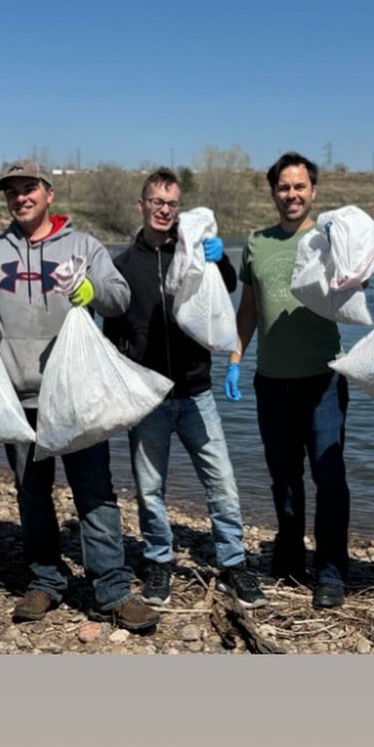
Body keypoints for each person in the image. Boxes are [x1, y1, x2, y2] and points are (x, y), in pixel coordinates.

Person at [0, 159, 158, 633]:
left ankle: (112, 589)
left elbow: (119, 297)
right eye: (12, 191)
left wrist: (89, 288)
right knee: (32, 495)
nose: (20, 197)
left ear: (50, 193)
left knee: (95, 493)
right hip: (17, 399)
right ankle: (46, 579)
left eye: (29, 188)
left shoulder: (83, 246)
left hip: (76, 397)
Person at [103, 168, 267, 610]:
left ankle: (233, 564)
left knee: (222, 483)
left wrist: (220, 258)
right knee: (149, 488)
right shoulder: (123, 266)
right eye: (156, 202)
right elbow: (111, 332)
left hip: (197, 392)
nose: (164, 210)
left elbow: (226, 287)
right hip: (148, 399)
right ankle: (159, 560)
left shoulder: (191, 250)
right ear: (141, 205)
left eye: (172, 204)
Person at [224, 151, 351, 609]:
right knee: (284, 478)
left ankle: (331, 571)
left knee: (329, 477)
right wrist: (235, 357)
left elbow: (358, 285)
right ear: (273, 192)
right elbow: (249, 307)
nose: (291, 194)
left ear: (313, 191)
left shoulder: (329, 239)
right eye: (283, 187)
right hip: (271, 381)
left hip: (323, 380)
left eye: (299, 186)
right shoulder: (256, 243)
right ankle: (291, 556)